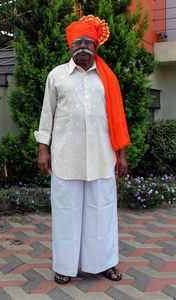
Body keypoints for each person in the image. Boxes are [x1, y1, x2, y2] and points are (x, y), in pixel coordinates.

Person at [34, 15, 131, 285]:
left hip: (102, 158)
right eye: (77, 43)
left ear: (95, 46)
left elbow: (117, 120)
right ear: (70, 46)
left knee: (103, 211)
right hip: (66, 159)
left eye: (88, 41)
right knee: (66, 212)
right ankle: (65, 266)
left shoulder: (107, 78)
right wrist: (44, 149)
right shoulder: (57, 76)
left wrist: (121, 155)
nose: (82, 47)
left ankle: (104, 263)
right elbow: (47, 116)